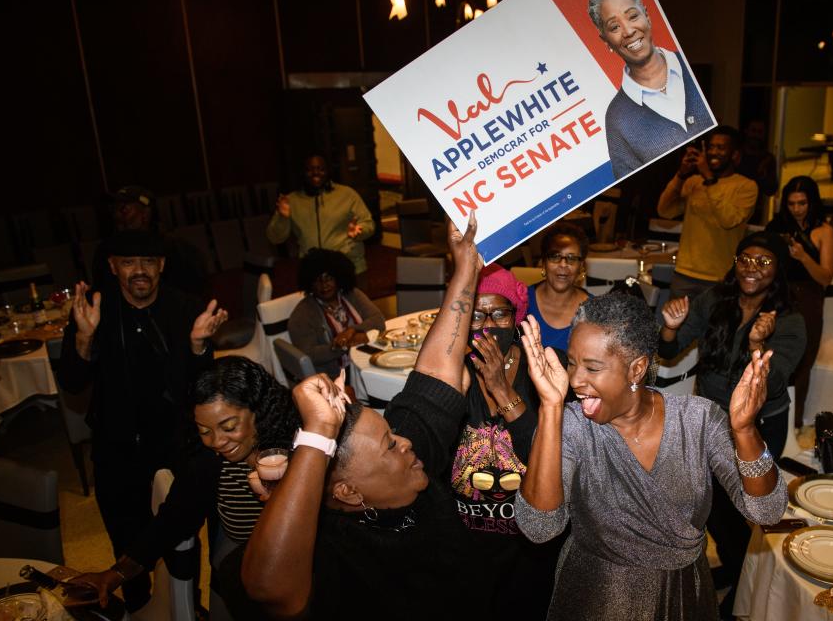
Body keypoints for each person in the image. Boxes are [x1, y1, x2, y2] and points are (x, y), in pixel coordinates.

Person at [242, 214, 491, 619]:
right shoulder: (332, 552)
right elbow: (268, 587)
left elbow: (433, 374)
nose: (405, 441)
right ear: (349, 493)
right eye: (390, 445)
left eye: (393, 433)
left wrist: (465, 268)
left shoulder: (411, 461)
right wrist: (319, 433)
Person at [514, 294, 787, 620]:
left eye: (592, 367)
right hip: (597, 597)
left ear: (637, 369)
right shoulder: (570, 425)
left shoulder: (698, 420)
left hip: (683, 595)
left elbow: (767, 510)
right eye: (572, 363)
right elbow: (539, 527)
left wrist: (744, 431)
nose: (574, 380)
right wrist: (549, 408)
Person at [58, 230, 228, 612]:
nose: (140, 270)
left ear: (161, 266)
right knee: (124, 533)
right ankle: (137, 604)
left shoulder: (185, 307)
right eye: (129, 262)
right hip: (115, 446)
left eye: (148, 262)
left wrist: (200, 347)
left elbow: (202, 385)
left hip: (173, 442)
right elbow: (71, 382)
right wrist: (84, 338)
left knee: (181, 534)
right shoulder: (94, 310)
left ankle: (189, 604)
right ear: (113, 266)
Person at [69, 356, 301, 614]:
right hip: (239, 558)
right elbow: (175, 517)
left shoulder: (297, 446)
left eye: (229, 427)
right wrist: (115, 574)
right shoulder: (208, 460)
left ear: (259, 411)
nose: (217, 441)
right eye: (204, 430)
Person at [658, 231, 805, 615]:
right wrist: (671, 326)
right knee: (712, 508)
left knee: (750, 509)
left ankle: (744, 588)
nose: (752, 268)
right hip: (710, 422)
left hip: (757, 428)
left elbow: (772, 386)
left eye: (764, 261)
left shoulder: (789, 322)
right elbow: (669, 351)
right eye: (745, 258)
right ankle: (739, 570)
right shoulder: (714, 301)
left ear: (778, 270)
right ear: (735, 261)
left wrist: (758, 345)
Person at [452, 263, 564, 618]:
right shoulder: (452, 371)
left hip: (530, 545)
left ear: (516, 315)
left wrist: (503, 391)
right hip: (468, 547)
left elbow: (555, 458)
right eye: (476, 315)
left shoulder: (544, 367)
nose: (487, 326)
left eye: (498, 313)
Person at [587, 0, 713, 180]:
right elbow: (631, 188)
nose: (628, 31)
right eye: (615, 26)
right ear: (606, 41)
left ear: (647, 15)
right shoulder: (618, 117)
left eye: (633, 16)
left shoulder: (697, 73)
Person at [766, 177, 833, 427]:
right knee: (772, 361)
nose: (797, 208)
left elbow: (826, 278)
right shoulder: (777, 226)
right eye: (791, 203)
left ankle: (794, 424)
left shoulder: (824, 231)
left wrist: (804, 257)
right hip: (778, 297)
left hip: (809, 298)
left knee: (802, 364)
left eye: (802, 203)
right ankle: (769, 422)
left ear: (812, 202)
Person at [657, 126, 759, 299]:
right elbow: (664, 211)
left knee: (715, 326)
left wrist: (710, 179)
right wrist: (681, 175)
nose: (713, 152)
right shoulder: (693, 182)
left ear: (735, 155)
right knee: (675, 325)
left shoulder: (747, 187)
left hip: (720, 277)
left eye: (720, 148)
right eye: (710, 147)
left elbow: (728, 220)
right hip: (684, 273)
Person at [266, 154, 375, 290]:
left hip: (349, 267)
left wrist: (359, 231)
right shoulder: (291, 201)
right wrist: (283, 217)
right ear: (302, 172)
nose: (316, 173)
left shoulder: (347, 194)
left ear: (328, 171)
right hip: (314, 272)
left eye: (321, 169)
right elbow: (275, 238)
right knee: (318, 311)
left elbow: (368, 224)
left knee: (355, 310)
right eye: (310, 169)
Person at [91, 185, 209, 298]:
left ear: (145, 214)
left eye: (124, 209)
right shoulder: (106, 251)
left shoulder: (174, 249)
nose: (117, 215)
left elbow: (193, 289)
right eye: (114, 209)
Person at [287, 248, 385, 380]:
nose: (324, 285)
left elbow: (379, 320)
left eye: (329, 278)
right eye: (317, 280)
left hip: (368, 361)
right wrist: (343, 346)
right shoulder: (303, 314)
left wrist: (351, 331)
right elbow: (308, 354)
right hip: (336, 377)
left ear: (339, 277)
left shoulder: (352, 294)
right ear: (310, 283)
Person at [527, 222, 591, 352]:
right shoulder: (522, 301)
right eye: (555, 256)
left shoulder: (593, 311)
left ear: (581, 266)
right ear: (543, 262)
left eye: (572, 258)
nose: (563, 264)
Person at [738, 119, 778, 224]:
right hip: (733, 205)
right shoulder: (736, 154)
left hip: (755, 212)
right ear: (746, 131)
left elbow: (771, 189)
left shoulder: (767, 159)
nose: (756, 135)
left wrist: (762, 174)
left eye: (760, 132)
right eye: (753, 131)